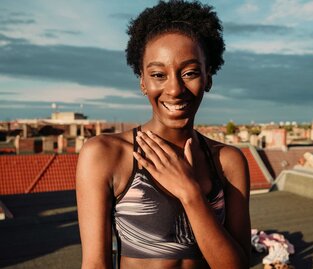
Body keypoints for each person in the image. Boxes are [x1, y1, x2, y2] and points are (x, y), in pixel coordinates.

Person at [76, 1, 251, 268]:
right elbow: (95, 264)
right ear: (143, 82)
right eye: (158, 74)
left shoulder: (228, 161)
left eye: (190, 73)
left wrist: (190, 192)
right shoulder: (105, 154)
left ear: (209, 77)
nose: (174, 89)